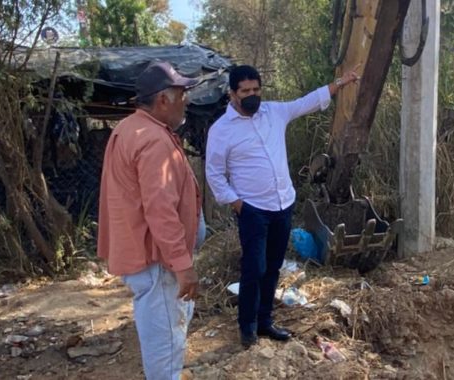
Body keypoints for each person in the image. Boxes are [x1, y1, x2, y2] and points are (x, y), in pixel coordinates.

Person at [206, 64, 359, 348]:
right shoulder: (221, 130)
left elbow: (307, 102)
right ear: (232, 94)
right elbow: (214, 174)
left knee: (273, 266)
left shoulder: (274, 113)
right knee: (254, 268)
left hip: (283, 205)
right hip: (252, 210)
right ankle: (248, 329)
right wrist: (237, 203)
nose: (252, 95)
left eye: (256, 89)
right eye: (245, 91)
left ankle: (265, 322)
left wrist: (341, 81)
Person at [97, 61, 203, 379]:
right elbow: (160, 211)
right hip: (158, 262)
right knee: (166, 346)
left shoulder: (130, 129)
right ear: (163, 99)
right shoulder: (154, 140)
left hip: (148, 258)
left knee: (164, 337)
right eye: (182, 93)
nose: (187, 100)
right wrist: (183, 266)